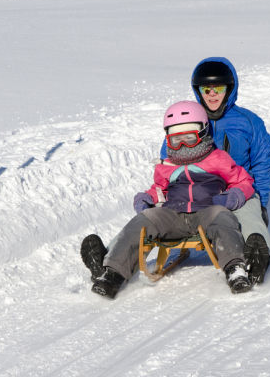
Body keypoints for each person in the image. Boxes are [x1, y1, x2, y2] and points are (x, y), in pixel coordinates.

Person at [80, 101, 259, 299]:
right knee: (144, 219)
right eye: (176, 140)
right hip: (173, 214)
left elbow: (243, 180)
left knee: (224, 218)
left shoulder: (218, 159)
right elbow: (159, 190)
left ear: (203, 133)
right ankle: (112, 274)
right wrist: (147, 198)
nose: (182, 146)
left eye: (189, 138)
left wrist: (233, 196)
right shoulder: (167, 165)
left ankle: (235, 268)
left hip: (207, 210)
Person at [161, 57, 270, 285]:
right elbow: (168, 160)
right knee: (153, 218)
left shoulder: (249, 122)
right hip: (197, 193)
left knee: (249, 216)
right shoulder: (188, 120)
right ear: (198, 91)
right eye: (206, 89)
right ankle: (113, 259)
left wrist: (260, 202)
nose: (212, 95)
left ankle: (258, 252)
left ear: (230, 89)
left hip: (238, 191)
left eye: (218, 88)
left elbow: (262, 163)